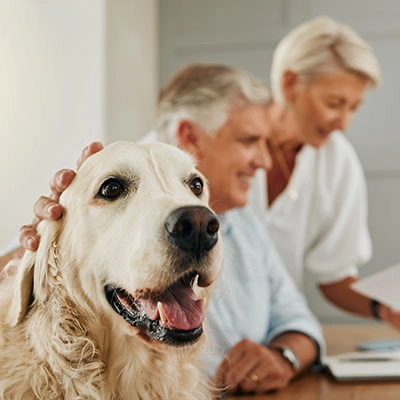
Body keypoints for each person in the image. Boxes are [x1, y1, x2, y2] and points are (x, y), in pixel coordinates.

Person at [0, 65, 324, 396]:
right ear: (192, 135)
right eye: (249, 141)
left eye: (195, 185)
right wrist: (41, 241)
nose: (265, 161)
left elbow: (299, 320)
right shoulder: (76, 194)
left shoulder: (245, 224)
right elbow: (15, 289)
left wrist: (283, 356)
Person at [249, 16, 400, 328]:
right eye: (334, 103)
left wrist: (384, 307)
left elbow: (334, 277)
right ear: (290, 85)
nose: (344, 123)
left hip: (276, 336)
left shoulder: (338, 161)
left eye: (354, 107)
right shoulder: (222, 132)